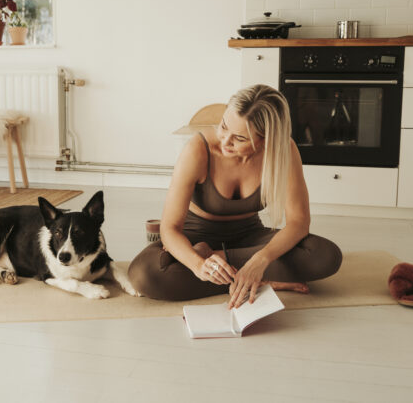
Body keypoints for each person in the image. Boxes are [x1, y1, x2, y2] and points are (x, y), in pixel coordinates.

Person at [128, 84, 342, 308]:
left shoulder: (284, 151)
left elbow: (299, 222)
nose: (225, 141)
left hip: (251, 238)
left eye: (240, 138)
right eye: (223, 126)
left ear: (266, 140)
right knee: (144, 274)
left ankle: (244, 275)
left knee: (325, 255)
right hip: (195, 237)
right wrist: (199, 265)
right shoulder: (198, 150)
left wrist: (260, 260)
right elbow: (169, 228)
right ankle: (255, 279)